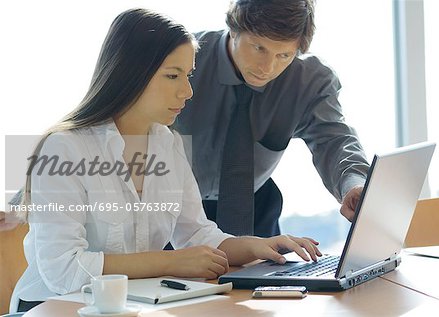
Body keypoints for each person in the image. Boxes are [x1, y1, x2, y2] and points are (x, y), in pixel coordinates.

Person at [10, 8, 321, 313]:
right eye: (173, 76)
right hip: (51, 307)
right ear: (130, 73)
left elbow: (197, 234)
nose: (187, 91)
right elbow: (63, 270)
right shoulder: (64, 148)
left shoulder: (167, 143)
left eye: (188, 76)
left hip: (128, 306)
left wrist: (256, 247)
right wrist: (171, 262)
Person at [173, 0, 370, 237]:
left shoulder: (308, 82)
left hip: (255, 213)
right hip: (174, 212)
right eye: (259, 48)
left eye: (284, 55)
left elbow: (335, 140)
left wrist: (355, 184)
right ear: (234, 30)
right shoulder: (181, 62)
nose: (267, 67)